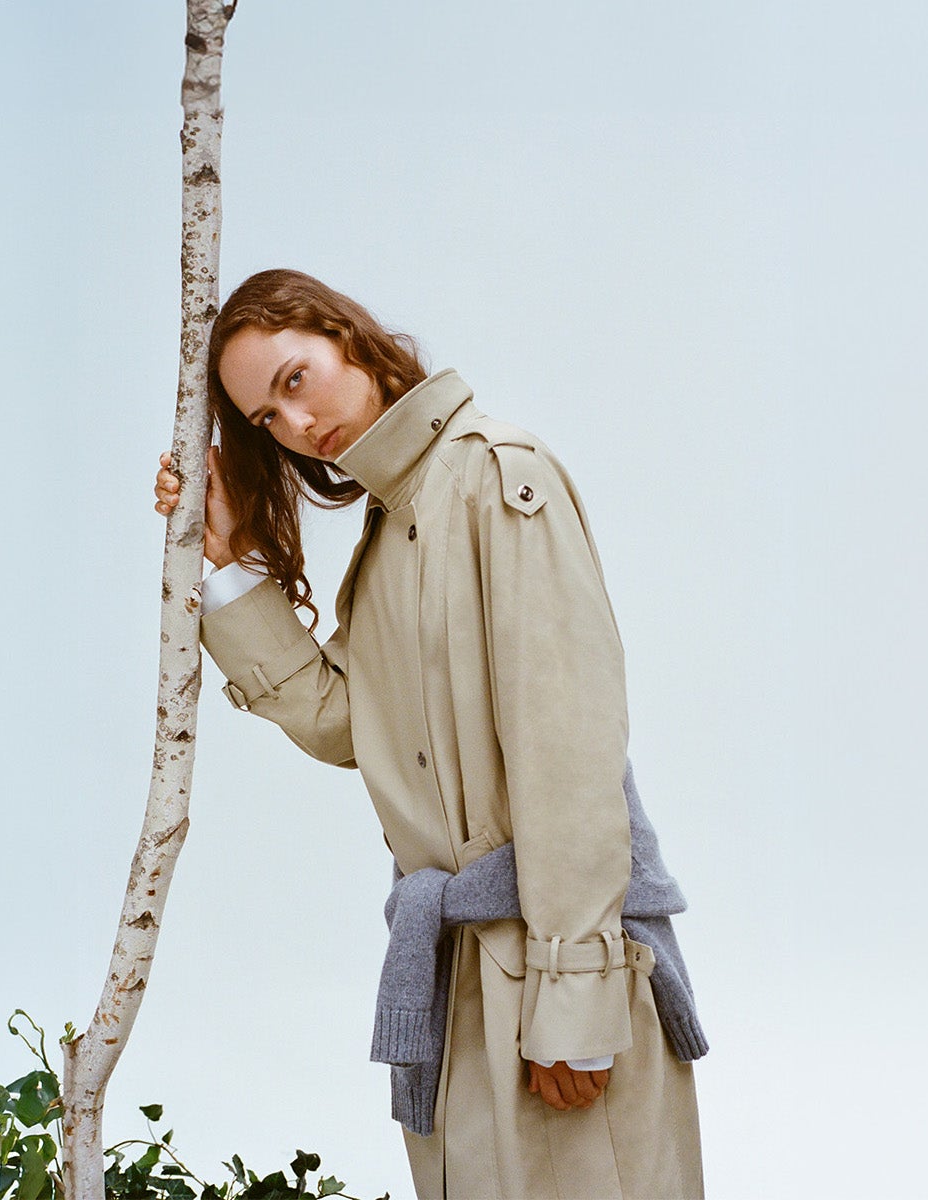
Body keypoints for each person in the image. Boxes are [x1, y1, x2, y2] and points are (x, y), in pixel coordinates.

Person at [149, 268, 704, 1198]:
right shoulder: (394, 525)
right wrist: (233, 563)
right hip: (466, 983)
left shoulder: (497, 478)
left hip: (555, 973)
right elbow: (346, 724)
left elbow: (570, 753)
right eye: (266, 418)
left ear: (348, 337)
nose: (296, 425)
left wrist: (575, 1001)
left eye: (295, 379)